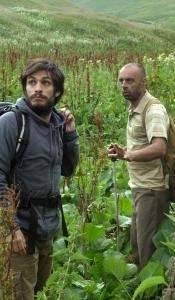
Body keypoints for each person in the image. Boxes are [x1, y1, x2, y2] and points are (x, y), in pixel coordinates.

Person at [0, 58, 80, 300]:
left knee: (40, 292)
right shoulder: (12, 123)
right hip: (19, 231)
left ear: (57, 92)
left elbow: (67, 168)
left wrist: (70, 134)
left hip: (47, 228)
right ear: (25, 87)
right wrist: (10, 228)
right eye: (31, 82)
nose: (37, 88)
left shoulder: (57, 124)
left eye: (45, 83)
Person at [108, 63, 170, 269]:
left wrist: (128, 155)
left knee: (147, 250)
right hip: (139, 187)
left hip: (152, 189)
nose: (124, 85)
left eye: (130, 80)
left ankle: (153, 290)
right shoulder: (135, 107)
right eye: (121, 81)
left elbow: (159, 147)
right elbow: (142, 145)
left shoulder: (153, 110)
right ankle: (141, 287)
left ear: (144, 82)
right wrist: (123, 152)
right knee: (136, 244)